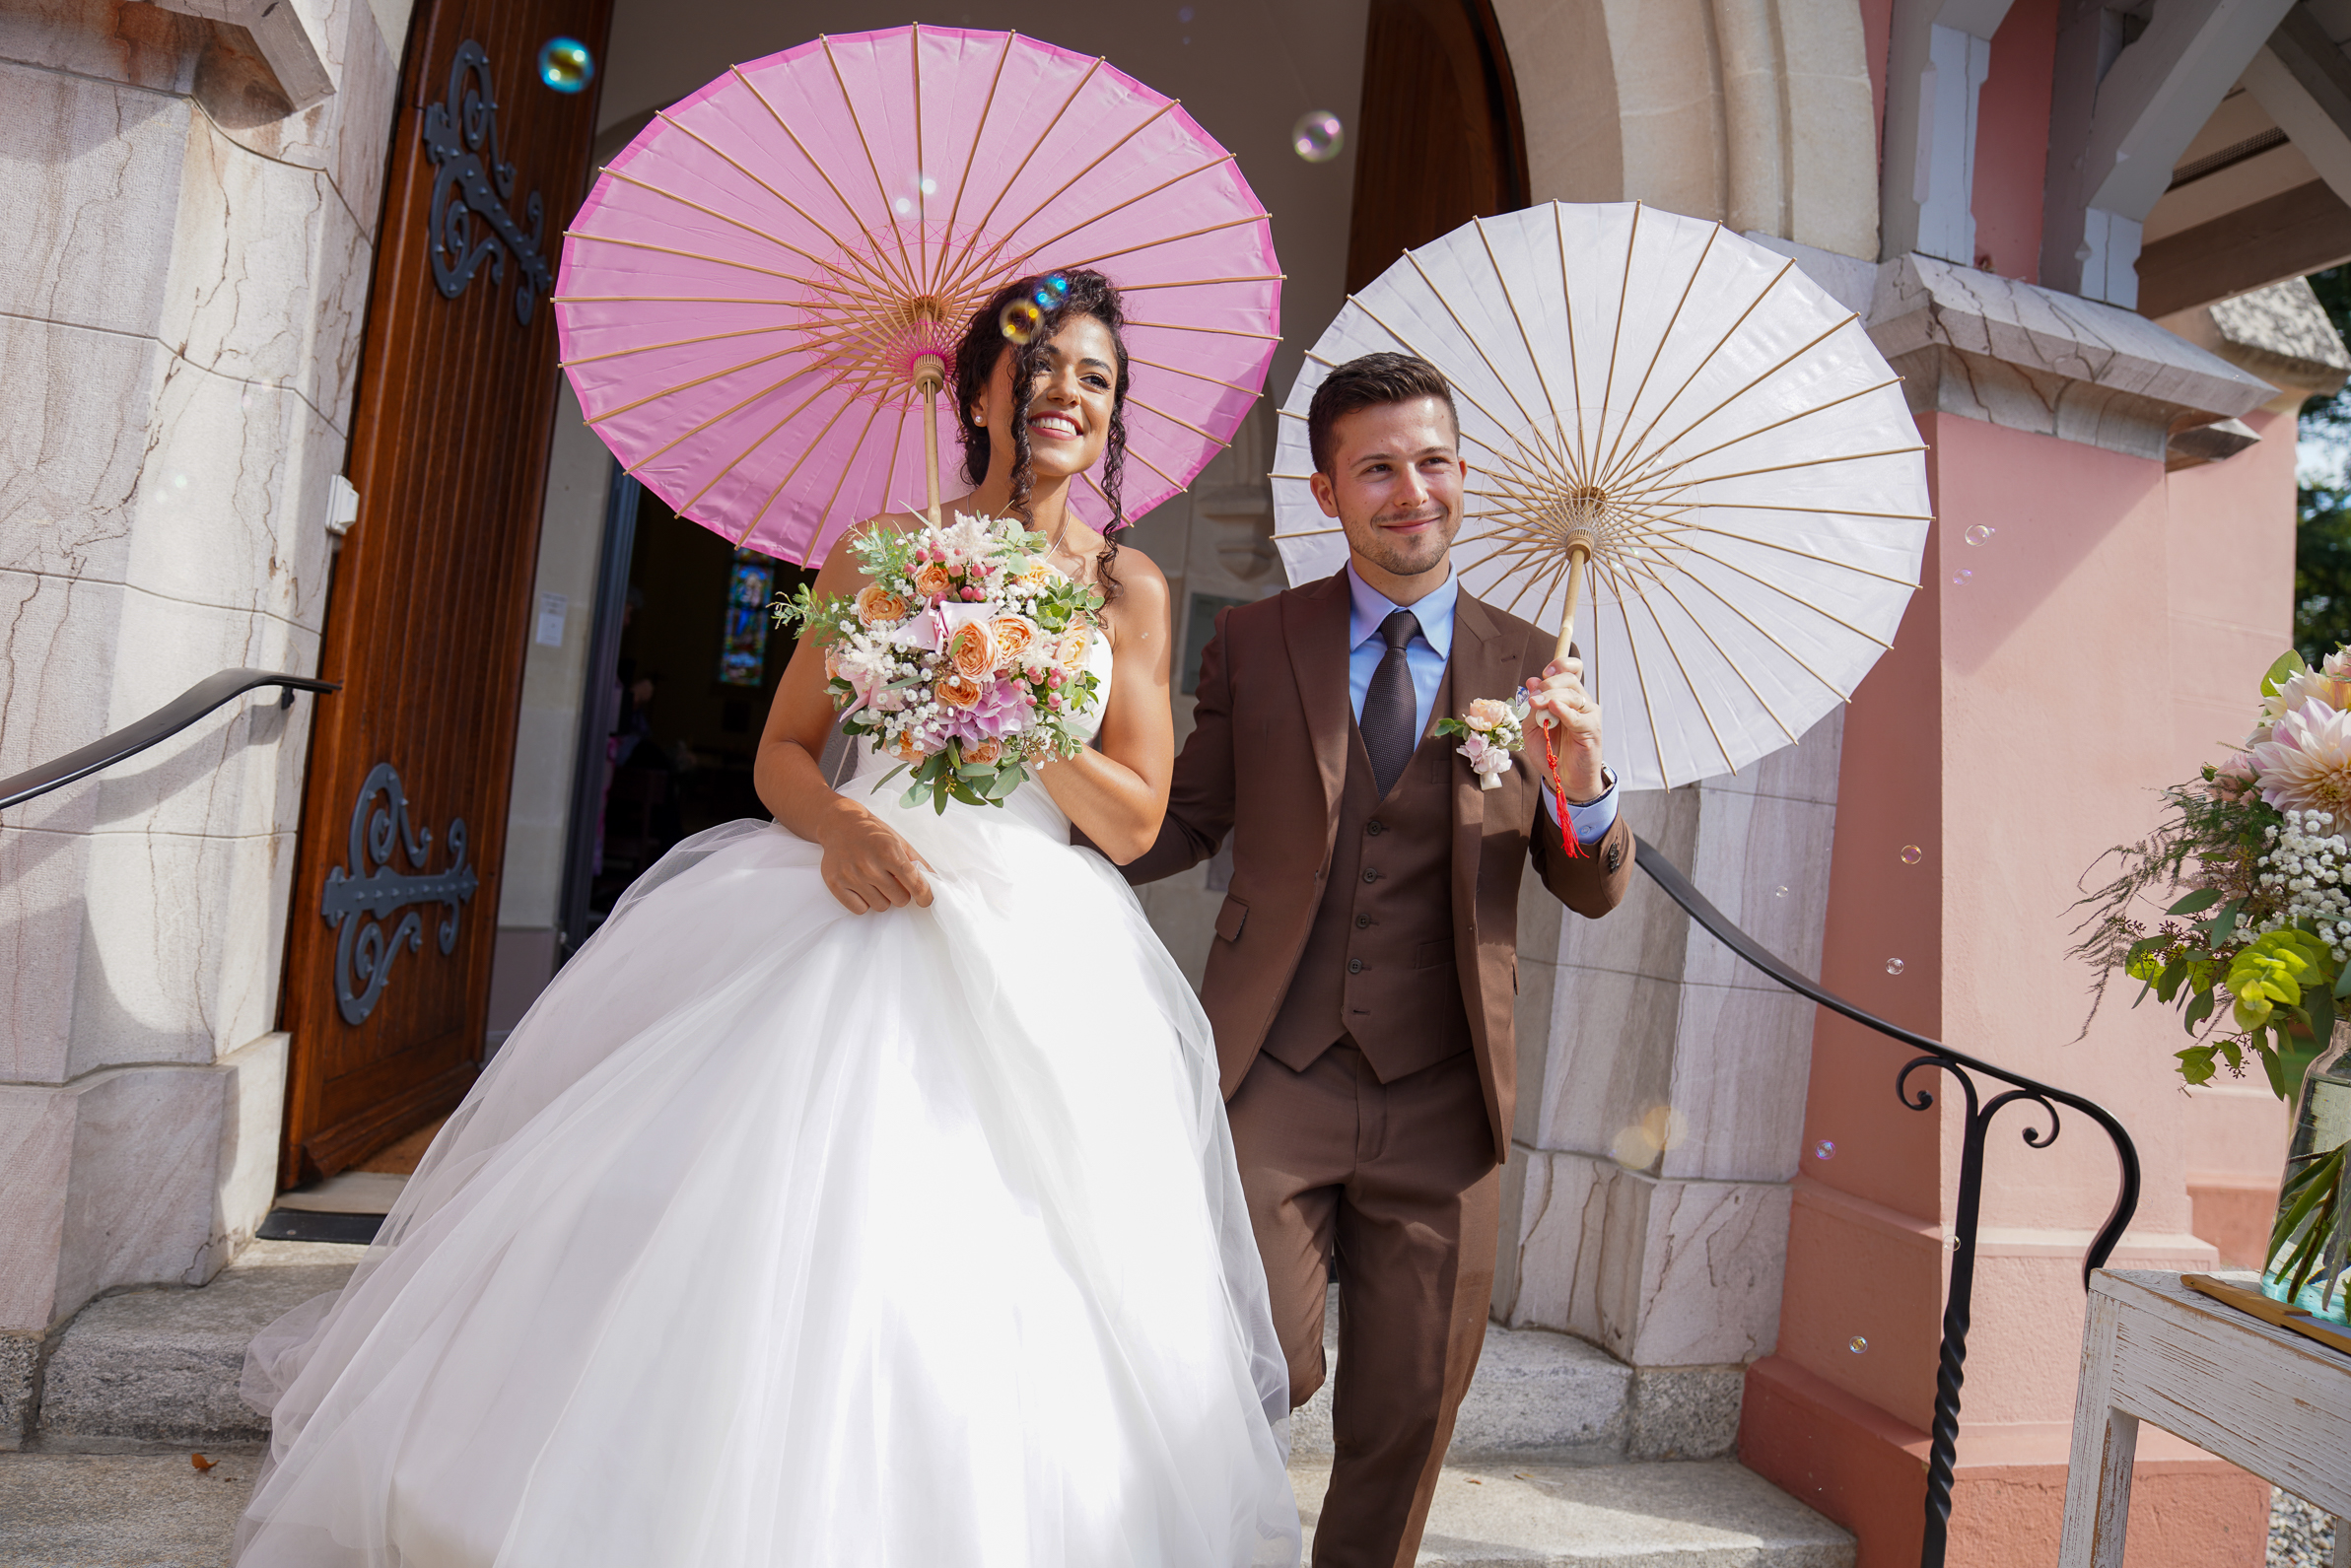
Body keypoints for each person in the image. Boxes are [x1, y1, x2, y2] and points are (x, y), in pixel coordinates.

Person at [233, 270, 1301, 1568]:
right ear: (977, 387)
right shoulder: (877, 553)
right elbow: (786, 753)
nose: (1066, 391)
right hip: (847, 896)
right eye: (1040, 362)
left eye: (1096, 375)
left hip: (1038, 932)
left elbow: (1133, 820)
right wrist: (845, 823)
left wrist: (1013, 693)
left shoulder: (1129, 589)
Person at [1123, 351, 1633, 1567]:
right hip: (1274, 1072)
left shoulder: (1535, 666)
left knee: (1407, 1413)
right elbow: (1182, 819)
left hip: (1449, 1097)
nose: (1415, 490)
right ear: (1328, 491)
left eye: (1435, 460)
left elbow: (1590, 887)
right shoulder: (1257, 641)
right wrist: (1018, 821)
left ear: (1465, 471)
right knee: (1249, 1360)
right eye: (1380, 468)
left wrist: (1585, 784)